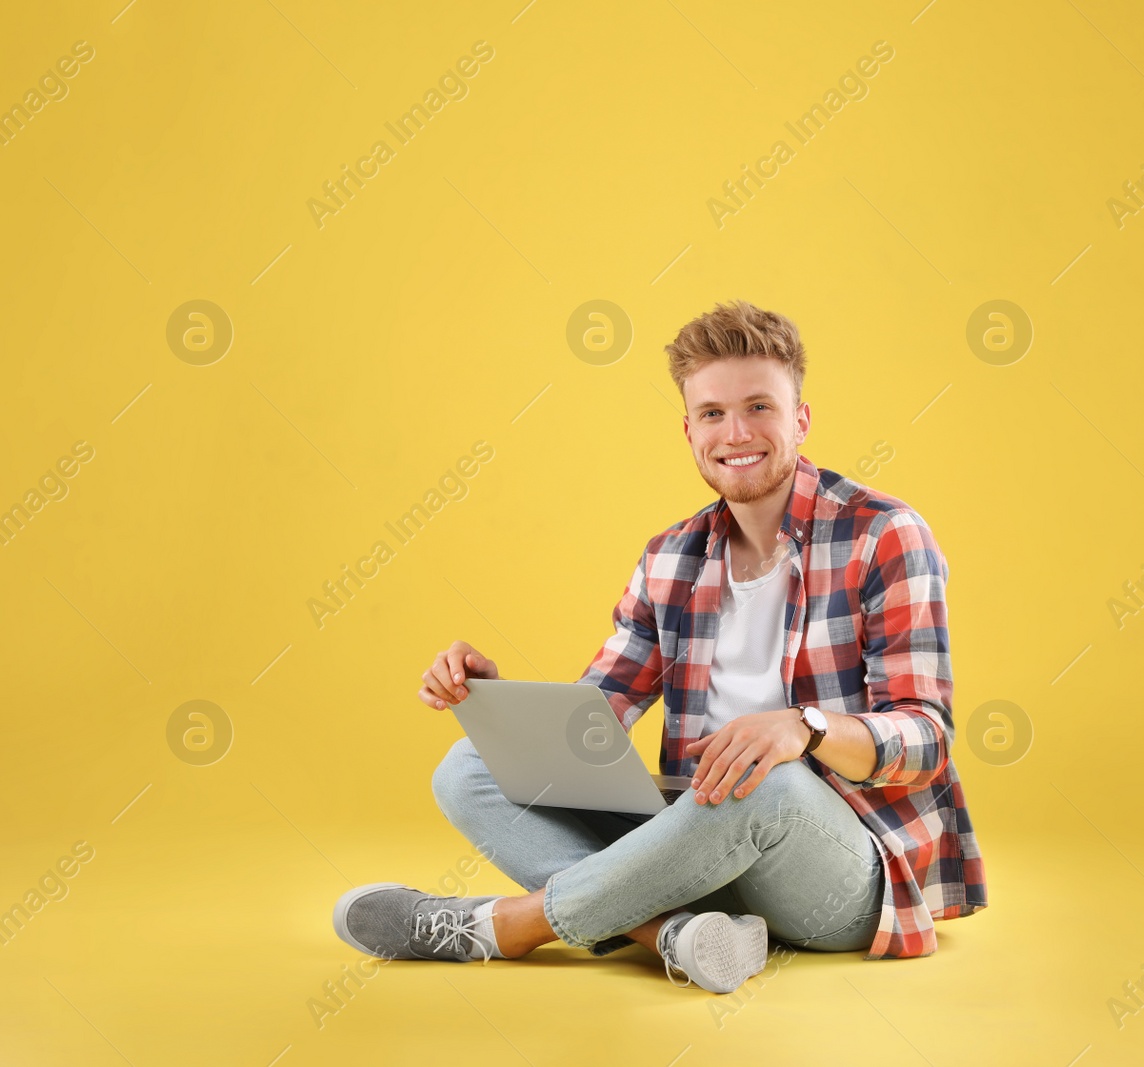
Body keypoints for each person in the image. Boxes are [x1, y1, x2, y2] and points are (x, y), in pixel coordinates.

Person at [331, 299, 987, 993]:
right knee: (470, 767)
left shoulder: (884, 534)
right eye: (712, 413)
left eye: (759, 406)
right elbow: (592, 725)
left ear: (800, 418)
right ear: (688, 430)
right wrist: (499, 704)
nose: (736, 432)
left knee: (769, 778)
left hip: (841, 873)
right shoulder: (671, 557)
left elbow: (926, 739)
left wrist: (806, 728)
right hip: (699, 848)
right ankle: (681, 934)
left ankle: (502, 926)